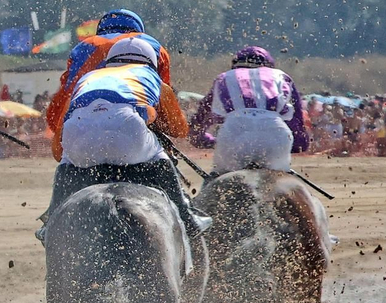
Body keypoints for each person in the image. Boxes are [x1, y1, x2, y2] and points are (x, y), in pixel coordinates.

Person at [36, 35, 208, 246]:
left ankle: (51, 223)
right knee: (160, 158)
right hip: (128, 129)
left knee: (66, 165)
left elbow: (62, 136)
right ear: (150, 62)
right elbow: (179, 129)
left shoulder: (87, 78)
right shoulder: (152, 78)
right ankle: (187, 218)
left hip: (78, 131)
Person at [201, 46, 308, 174]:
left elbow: (199, 123)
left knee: (216, 180)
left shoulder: (223, 78)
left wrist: (209, 141)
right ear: (269, 65)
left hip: (233, 133)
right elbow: (297, 126)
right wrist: (298, 145)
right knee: (285, 180)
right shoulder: (282, 76)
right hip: (275, 133)